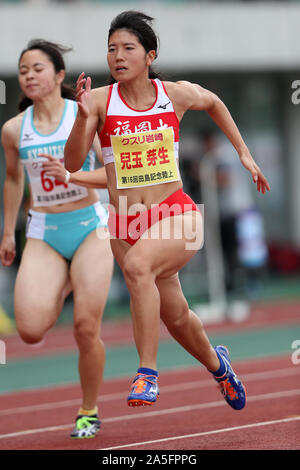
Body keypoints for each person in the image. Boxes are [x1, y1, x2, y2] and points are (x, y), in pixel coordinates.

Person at [65, 11, 270, 411]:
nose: (117, 56)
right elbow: (73, 163)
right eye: (111, 49)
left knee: (140, 268)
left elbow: (214, 102)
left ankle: (147, 373)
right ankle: (220, 368)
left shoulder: (173, 94)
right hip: (125, 223)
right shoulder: (100, 102)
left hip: (178, 214)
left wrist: (244, 154)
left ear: (149, 55)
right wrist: (82, 117)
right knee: (176, 317)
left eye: (128, 48)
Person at [0, 40, 114, 439]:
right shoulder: (14, 130)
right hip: (44, 231)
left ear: (59, 75)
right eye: (23, 70)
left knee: (85, 326)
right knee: (30, 330)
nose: (29, 75)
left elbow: (112, 175)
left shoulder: (81, 117)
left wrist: (72, 175)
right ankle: (67, 280)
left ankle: (88, 410)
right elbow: (14, 178)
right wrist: (7, 231)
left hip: (90, 228)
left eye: (37, 68)